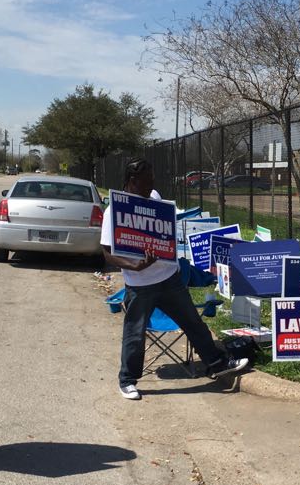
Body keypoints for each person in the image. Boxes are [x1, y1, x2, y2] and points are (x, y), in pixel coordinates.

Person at [101, 158, 249, 400]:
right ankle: (127, 380)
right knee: (134, 334)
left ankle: (217, 362)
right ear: (133, 180)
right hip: (140, 285)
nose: (152, 184)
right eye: (147, 180)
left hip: (169, 279)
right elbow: (107, 252)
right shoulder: (115, 211)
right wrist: (135, 266)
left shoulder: (156, 198)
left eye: (152, 179)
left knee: (193, 323)